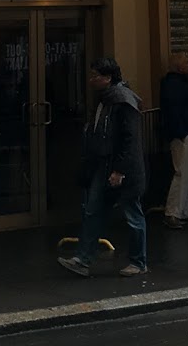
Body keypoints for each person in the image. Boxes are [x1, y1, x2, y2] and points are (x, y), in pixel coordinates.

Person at [59, 58, 147, 278]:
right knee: (93, 210)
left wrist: (120, 169)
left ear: (107, 78)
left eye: (95, 75)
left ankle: (138, 261)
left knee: (131, 213)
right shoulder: (107, 100)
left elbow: (130, 139)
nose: (91, 80)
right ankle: (83, 259)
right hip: (104, 163)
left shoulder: (120, 102)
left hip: (118, 165)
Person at [159, 53, 188, 229]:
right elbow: (175, 111)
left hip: (183, 133)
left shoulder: (172, 84)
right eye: (185, 62)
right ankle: (174, 211)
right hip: (183, 133)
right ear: (178, 67)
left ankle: (184, 210)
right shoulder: (178, 85)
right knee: (183, 172)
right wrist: (183, 132)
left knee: (185, 172)